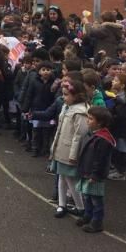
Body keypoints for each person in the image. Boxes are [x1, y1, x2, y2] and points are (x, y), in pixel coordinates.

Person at [49, 78, 90, 218]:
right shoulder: (67, 107)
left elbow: (79, 135)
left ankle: (80, 207)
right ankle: (62, 204)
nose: (63, 97)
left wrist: (73, 155)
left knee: (70, 180)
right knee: (61, 176)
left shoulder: (81, 112)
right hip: (61, 148)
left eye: (66, 94)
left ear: (76, 95)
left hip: (69, 151)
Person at [75, 105, 115, 233]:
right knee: (87, 195)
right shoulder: (94, 135)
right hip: (87, 171)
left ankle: (97, 222)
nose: (88, 120)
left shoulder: (103, 139)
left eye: (91, 119)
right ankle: (88, 215)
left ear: (100, 123)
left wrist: (95, 175)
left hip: (94, 175)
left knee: (96, 199)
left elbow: (100, 160)